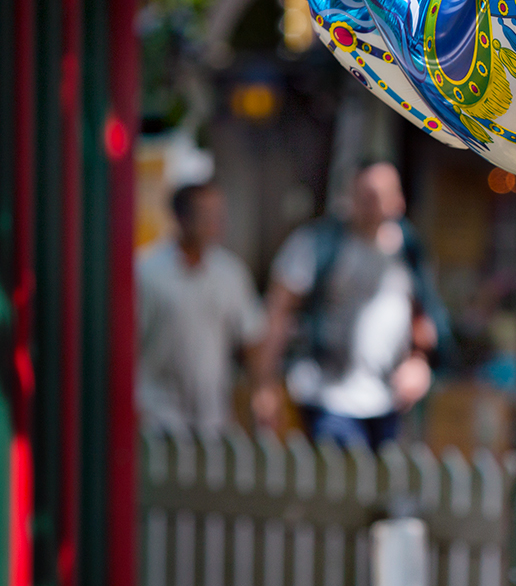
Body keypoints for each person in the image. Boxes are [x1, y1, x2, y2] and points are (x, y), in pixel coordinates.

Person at [251, 160, 449, 450]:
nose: (371, 204)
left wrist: (419, 361)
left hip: (388, 399)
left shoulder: (408, 249)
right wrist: (265, 384)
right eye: (364, 195)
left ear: (398, 200)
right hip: (327, 394)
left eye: (379, 195)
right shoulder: (318, 244)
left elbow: (424, 314)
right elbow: (278, 313)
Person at [136, 180, 266, 433]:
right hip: (157, 415)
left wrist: (260, 392)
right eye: (206, 215)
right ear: (181, 218)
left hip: (212, 419)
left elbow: (251, 338)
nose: (216, 223)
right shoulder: (147, 273)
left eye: (219, 215)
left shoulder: (230, 273)